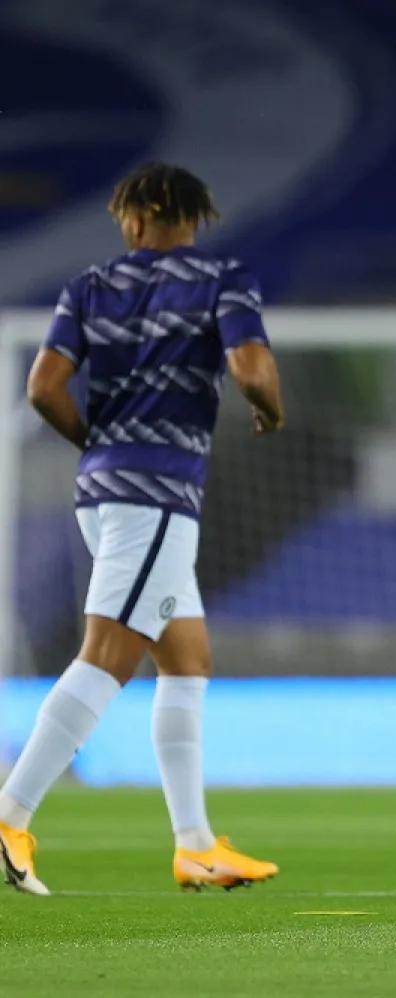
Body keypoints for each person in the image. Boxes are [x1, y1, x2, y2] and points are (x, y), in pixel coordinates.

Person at [0, 162, 283, 895]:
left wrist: (99, 445)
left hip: (102, 491)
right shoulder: (221, 279)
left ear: (134, 218)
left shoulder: (90, 286)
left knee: (186, 660)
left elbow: (43, 388)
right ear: (193, 218)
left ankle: (195, 846)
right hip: (155, 496)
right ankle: (9, 812)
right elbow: (251, 370)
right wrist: (269, 408)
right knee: (106, 657)